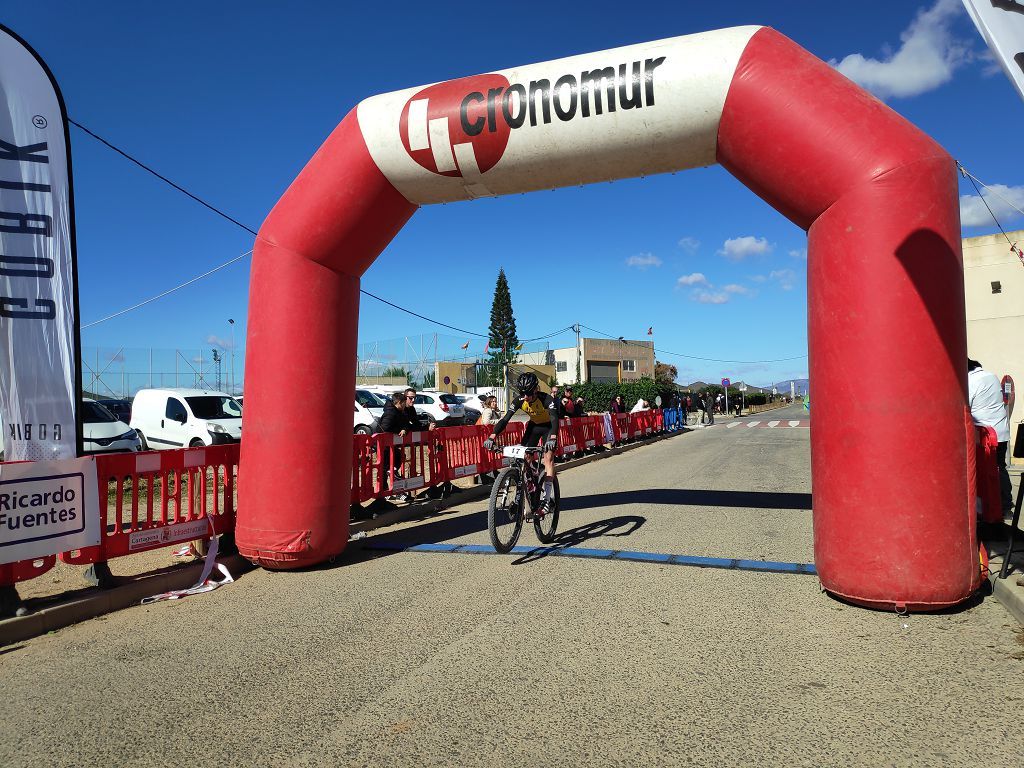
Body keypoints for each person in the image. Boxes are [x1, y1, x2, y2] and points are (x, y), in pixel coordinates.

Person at [483, 372, 559, 515]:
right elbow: (505, 420)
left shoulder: (547, 399)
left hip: (549, 427)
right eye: (522, 393)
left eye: (528, 393)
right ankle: (531, 482)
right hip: (534, 426)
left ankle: (547, 500)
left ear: (535, 390)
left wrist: (553, 438)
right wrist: (492, 437)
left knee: (548, 459)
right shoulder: (520, 400)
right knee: (526, 457)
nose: (525, 397)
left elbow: (555, 419)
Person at [968, 358, 1012, 517]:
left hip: (985, 434)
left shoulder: (970, 380)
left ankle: (986, 507)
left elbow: (966, 404)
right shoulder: (992, 376)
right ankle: (1006, 506)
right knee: (1000, 467)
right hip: (1001, 431)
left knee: (983, 470)